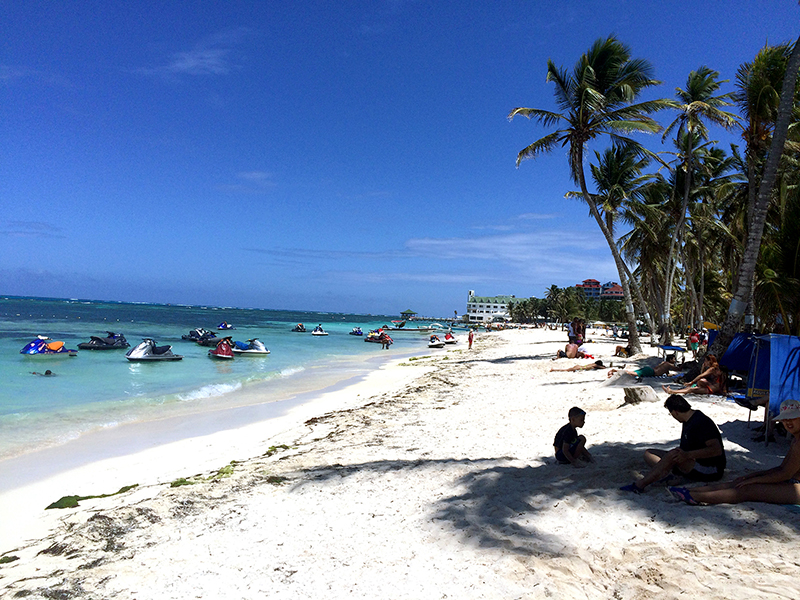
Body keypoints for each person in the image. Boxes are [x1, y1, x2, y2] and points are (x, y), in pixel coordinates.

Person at [669, 399, 800, 505]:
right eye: (785, 419)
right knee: (739, 482)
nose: (788, 422)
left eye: (792, 418)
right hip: (791, 481)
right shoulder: (795, 440)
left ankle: (694, 496)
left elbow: (785, 474)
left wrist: (755, 480)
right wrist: (752, 476)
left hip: (795, 486)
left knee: (747, 490)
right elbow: (783, 468)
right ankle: (689, 491)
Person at [620, 394, 726, 493]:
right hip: (690, 460)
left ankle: (640, 485)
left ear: (675, 412)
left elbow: (716, 450)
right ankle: (671, 475)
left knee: (673, 455)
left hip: (710, 469)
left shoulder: (701, 422)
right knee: (649, 454)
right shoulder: (688, 421)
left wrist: (687, 455)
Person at [607, 354, 681, 381]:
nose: (675, 361)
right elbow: (678, 369)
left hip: (649, 369)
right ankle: (615, 371)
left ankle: (615, 372)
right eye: (674, 359)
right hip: (651, 372)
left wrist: (672, 375)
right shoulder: (669, 365)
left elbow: (666, 373)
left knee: (633, 372)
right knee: (633, 373)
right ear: (670, 359)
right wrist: (683, 362)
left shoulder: (664, 363)